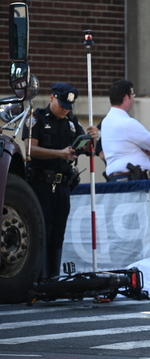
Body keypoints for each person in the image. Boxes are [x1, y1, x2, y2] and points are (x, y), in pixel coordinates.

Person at [22, 83, 99, 279]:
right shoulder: (37, 118)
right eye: (62, 104)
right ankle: (39, 279)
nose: (65, 109)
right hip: (41, 184)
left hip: (63, 185)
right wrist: (59, 153)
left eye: (68, 106)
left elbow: (88, 150)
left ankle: (53, 279)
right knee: (42, 234)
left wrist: (93, 138)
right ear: (51, 98)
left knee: (58, 234)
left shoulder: (71, 122)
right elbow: (30, 150)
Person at [99, 80, 150, 182]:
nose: (134, 98)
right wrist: (143, 148)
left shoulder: (106, 122)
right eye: (132, 94)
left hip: (116, 178)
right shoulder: (127, 123)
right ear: (125, 98)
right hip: (131, 179)